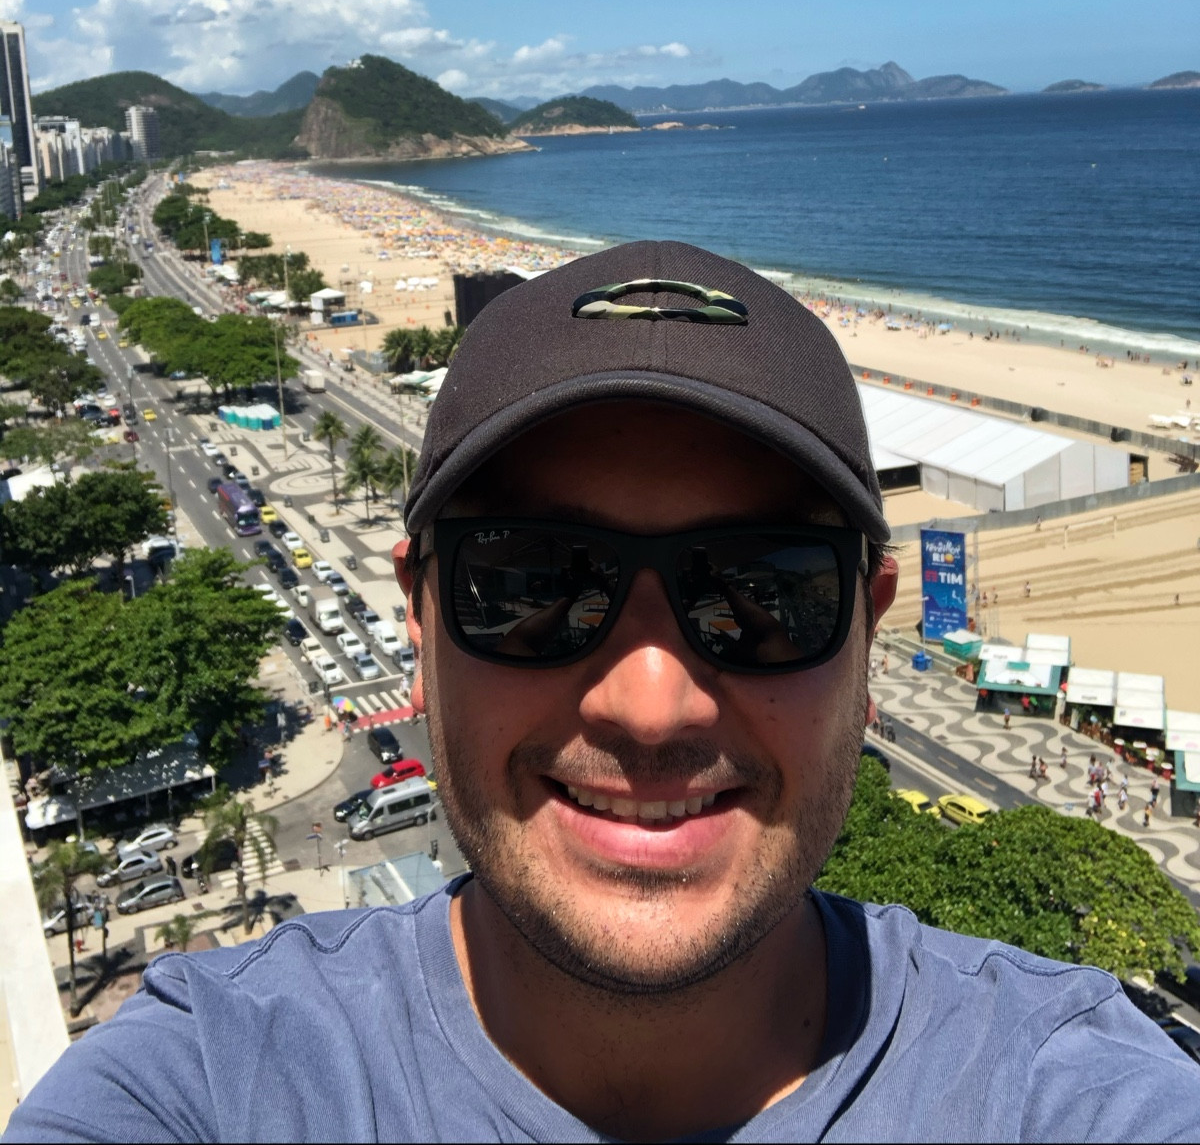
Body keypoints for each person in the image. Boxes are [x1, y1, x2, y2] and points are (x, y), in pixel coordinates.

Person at [7, 242, 1198, 1142]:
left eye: (762, 591)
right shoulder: (219, 1080)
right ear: (420, 614)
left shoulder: (1058, 1086)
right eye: (534, 581)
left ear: (868, 634)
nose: (651, 702)